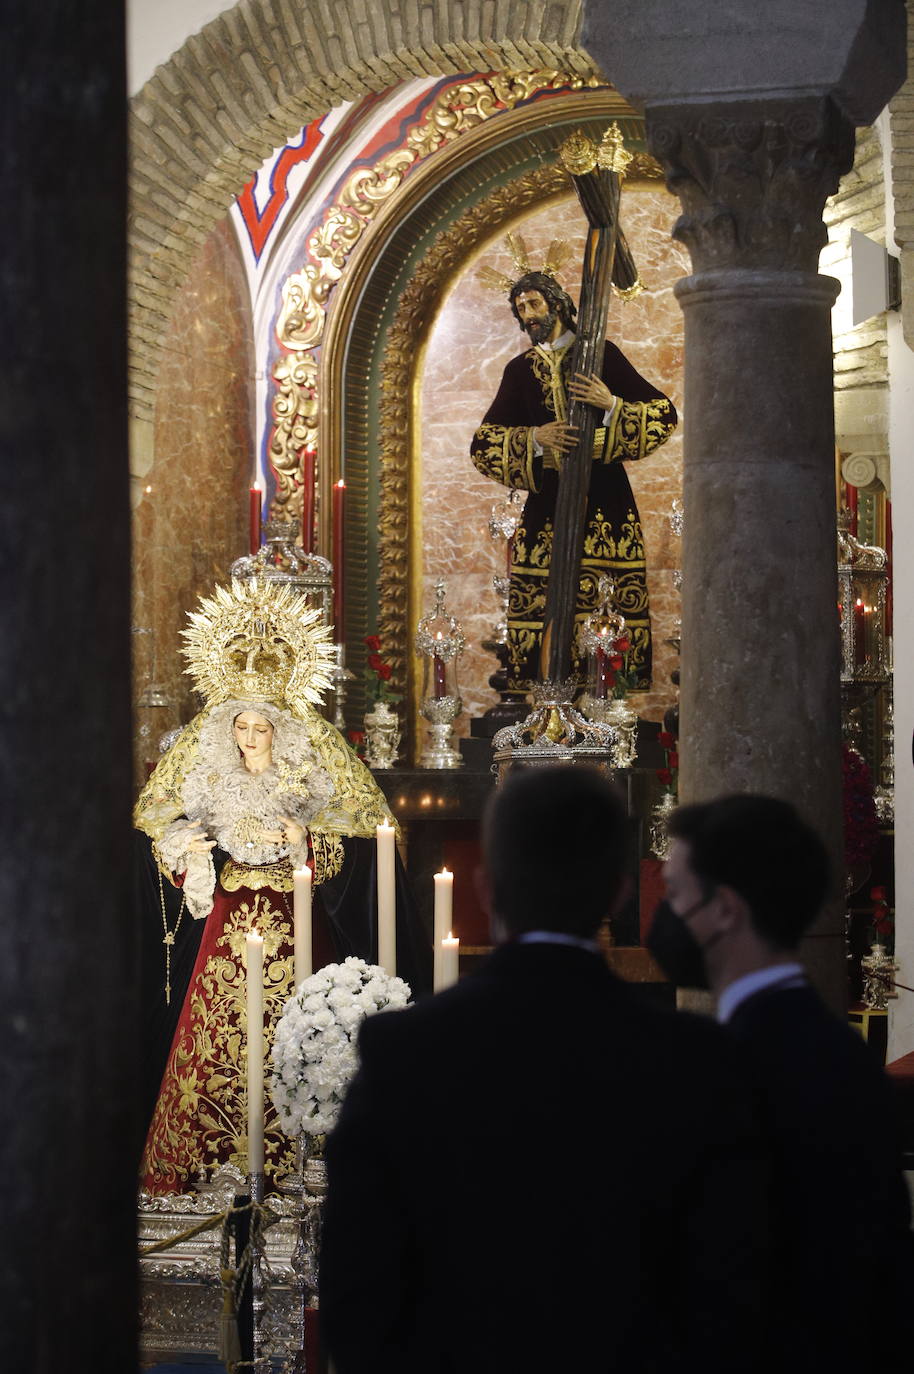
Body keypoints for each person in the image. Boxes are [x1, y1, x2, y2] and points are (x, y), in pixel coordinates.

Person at [321, 766, 768, 1373]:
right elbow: (726, 1290)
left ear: (485, 887)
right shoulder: (692, 1058)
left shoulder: (403, 1052)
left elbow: (357, 1294)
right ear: (616, 891)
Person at [135, 579, 428, 1195]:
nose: (248, 738)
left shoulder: (308, 776)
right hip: (226, 918)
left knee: (298, 1027)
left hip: (292, 915)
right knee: (211, 1034)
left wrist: (305, 838)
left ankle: (307, 1165)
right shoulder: (209, 777)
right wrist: (188, 848)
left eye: (259, 729)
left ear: (277, 730)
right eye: (239, 727)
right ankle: (202, 1164)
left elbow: (361, 837)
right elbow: (166, 830)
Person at [648, 794, 914, 1372]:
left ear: (726, 910)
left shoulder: (723, 1066)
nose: (662, 915)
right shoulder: (843, 1053)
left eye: (674, 893)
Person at [470, 268, 677, 691]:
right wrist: (534, 440)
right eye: (520, 308)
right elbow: (484, 446)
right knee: (547, 607)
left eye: (533, 303)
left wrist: (612, 403)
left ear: (558, 303)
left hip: (606, 505)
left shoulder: (602, 354)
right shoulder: (519, 370)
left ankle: (609, 699)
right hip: (547, 508)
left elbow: (662, 414)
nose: (527, 314)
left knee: (607, 604)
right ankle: (550, 699)